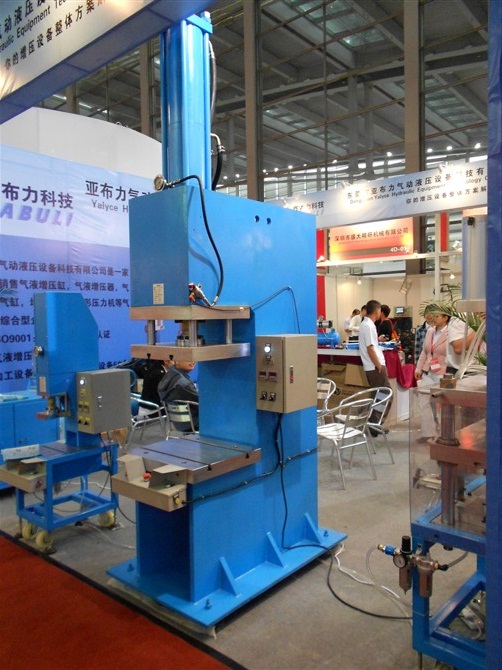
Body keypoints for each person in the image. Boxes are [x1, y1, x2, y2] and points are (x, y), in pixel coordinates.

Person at [414, 311, 449, 439]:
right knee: (423, 401)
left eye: (437, 316)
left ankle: (444, 434)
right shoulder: (430, 331)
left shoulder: (451, 333)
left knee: (442, 404)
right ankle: (428, 433)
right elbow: (424, 351)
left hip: (443, 373)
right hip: (428, 371)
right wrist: (418, 369)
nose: (434, 318)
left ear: (445, 318)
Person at [358, 300, 391, 391]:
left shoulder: (365, 324)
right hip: (374, 366)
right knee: (384, 394)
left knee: (378, 394)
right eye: (380, 310)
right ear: (377, 311)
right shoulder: (369, 326)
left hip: (372, 366)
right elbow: (370, 348)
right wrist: (379, 365)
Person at [157, 360, 199, 429]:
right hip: (193, 423)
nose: (193, 362)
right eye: (188, 359)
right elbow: (202, 402)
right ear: (176, 361)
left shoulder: (169, 375)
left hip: (177, 422)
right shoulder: (184, 384)